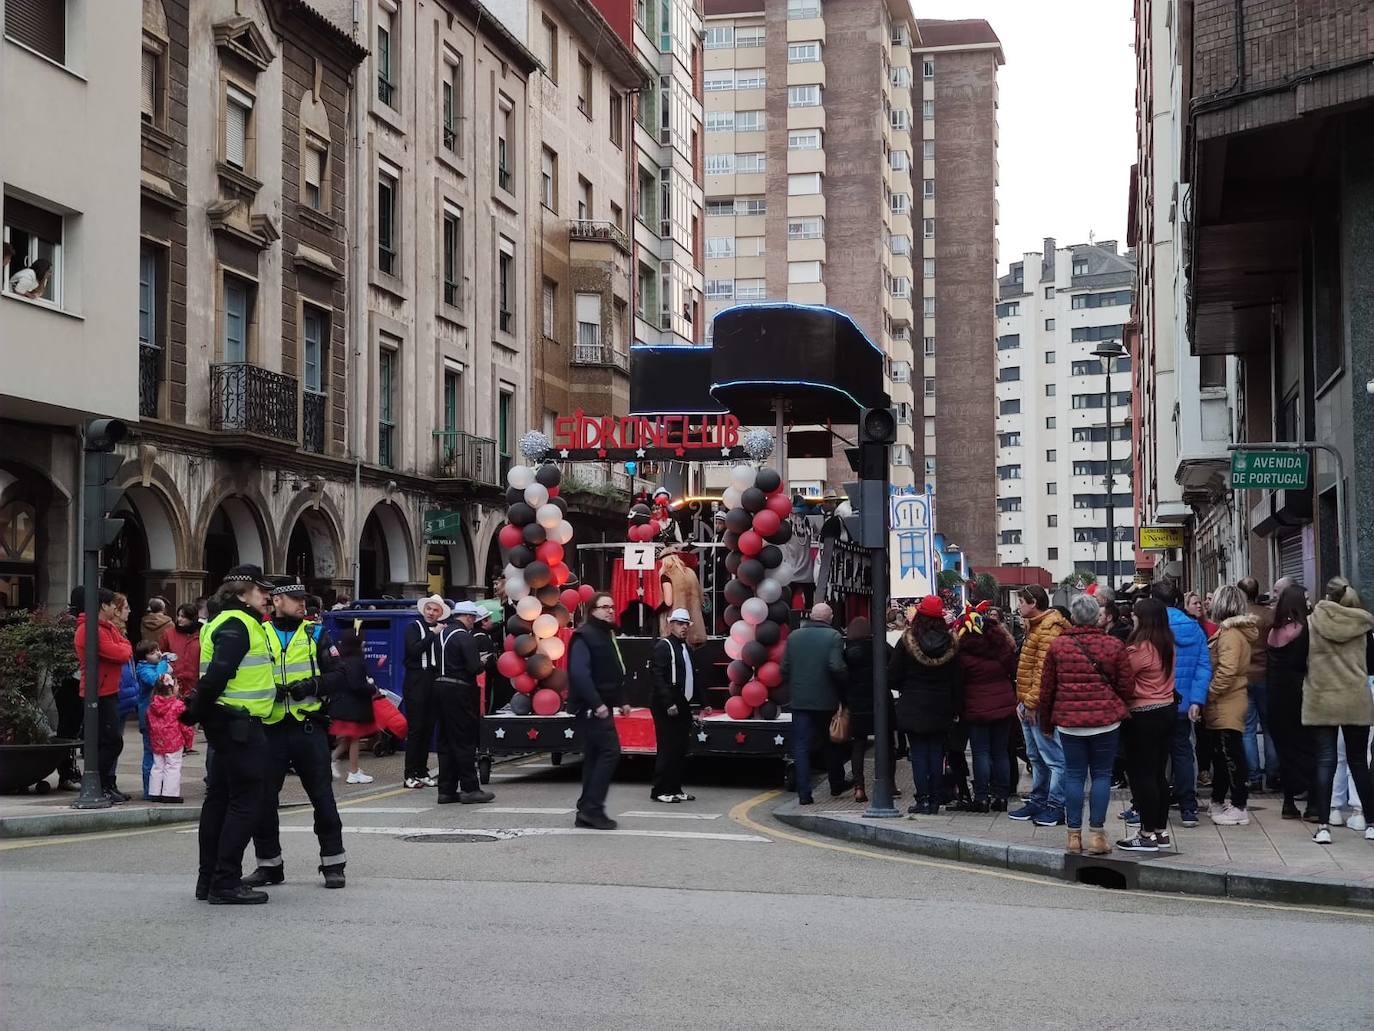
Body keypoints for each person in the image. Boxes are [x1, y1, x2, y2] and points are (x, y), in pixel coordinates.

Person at [179, 565, 278, 905]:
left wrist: (198, 710)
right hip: (239, 726)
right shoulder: (238, 624)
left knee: (219, 800)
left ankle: (208, 880)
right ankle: (225, 881)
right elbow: (221, 671)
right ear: (241, 593)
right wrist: (194, 710)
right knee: (246, 802)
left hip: (226, 724)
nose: (268, 596)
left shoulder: (222, 622)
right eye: (261, 590)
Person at [242, 579, 348, 890]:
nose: (302, 604)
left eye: (303, 599)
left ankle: (333, 864)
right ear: (275, 601)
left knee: (323, 799)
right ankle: (269, 865)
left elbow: (341, 675)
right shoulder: (259, 634)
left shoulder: (315, 633)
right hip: (270, 728)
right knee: (263, 801)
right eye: (294, 599)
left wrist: (311, 686)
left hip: (308, 727)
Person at [1038, 593, 1135, 855]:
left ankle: (1073, 836)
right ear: (1097, 617)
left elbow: (1047, 688)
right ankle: (1097, 836)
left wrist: (1045, 722)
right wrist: (1120, 705)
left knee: (1074, 775)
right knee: (1102, 775)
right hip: (1105, 721)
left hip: (1069, 722)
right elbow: (1127, 684)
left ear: (1073, 617)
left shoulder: (1058, 646)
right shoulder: (1113, 645)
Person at [1301, 576, 1374, 845]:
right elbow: (1371, 663)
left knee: (1325, 762)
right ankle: (1371, 823)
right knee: (1358, 763)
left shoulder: (1311, 624)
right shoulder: (1362, 625)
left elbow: (1300, 660)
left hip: (1322, 698)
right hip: (1355, 698)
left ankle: (1323, 825)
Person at [890, 596, 964, 815]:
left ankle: (922, 800)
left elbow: (892, 675)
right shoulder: (952, 643)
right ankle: (934, 799)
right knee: (937, 753)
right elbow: (958, 679)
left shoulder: (907, 641)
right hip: (942, 705)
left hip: (913, 704)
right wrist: (957, 707)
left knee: (919, 753)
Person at [1118, 597, 1178, 852]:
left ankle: (1146, 834)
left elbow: (1121, 676)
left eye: (1135, 614)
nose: (1132, 617)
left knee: (1142, 776)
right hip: (1166, 710)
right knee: (1158, 775)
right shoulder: (1167, 644)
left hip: (1143, 714)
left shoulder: (1142, 648)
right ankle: (1160, 831)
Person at [567, 592, 631, 828]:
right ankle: (592, 808)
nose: (610, 610)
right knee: (609, 752)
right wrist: (597, 704)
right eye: (604, 607)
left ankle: (586, 808)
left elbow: (613, 670)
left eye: (612, 607)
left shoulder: (605, 634)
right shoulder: (584, 636)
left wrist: (621, 699)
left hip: (601, 705)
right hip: (592, 709)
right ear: (592, 610)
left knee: (595, 757)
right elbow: (579, 674)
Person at [1151, 581, 1212, 828]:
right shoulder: (1194, 628)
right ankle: (1188, 807)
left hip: (1157, 701)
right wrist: (1197, 700)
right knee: (1183, 753)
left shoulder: (1153, 628)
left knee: (1155, 756)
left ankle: (1154, 808)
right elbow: (1204, 665)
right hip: (1185, 704)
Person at [1009, 585, 1069, 827]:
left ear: (1034, 603)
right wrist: (1023, 702)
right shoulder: (1036, 627)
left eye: (1022, 601)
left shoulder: (1048, 629)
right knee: (1036, 756)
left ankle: (1056, 805)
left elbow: (1044, 671)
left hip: (1040, 705)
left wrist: (1031, 703)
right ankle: (1039, 800)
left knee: (1054, 757)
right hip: (1030, 703)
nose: (1018, 606)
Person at [781, 601, 851, 805]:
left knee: (801, 746)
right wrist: (845, 686)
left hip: (800, 699)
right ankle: (836, 784)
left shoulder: (794, 636)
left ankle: (804, 794)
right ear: (829, 618)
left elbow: (784, 668)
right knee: (831, 743)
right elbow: (836, 667)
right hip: (826, 700)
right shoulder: (834, 636)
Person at [72, 587, 134, 804]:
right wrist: (122, 647)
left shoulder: (106, 627)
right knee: (111, 742)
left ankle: (106, 784)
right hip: (98, 692)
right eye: (110, 604)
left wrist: (123, 647)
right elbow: (121, 652)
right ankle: (98, 783)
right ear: (103, 606)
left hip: (109, 690)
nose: (113, 608)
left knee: (108, 741)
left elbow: (126, 647)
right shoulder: (91, 630)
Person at [1203, 585, 1259, 825]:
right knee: (1222, 753)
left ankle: (1239, 805)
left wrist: (1210, 693)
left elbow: (1227, 670)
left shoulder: (1230, 635)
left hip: (1227, 701)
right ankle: (1220, 800)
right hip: (1227, 700)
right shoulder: (1230, 633)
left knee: (1230, 753)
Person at [433, 601, 495, 805]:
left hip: (440, 687)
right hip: (459, 689)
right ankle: (470, 788)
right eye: (473, 619)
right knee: (463, 740)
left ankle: (446, 790)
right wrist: (482, 662)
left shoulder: (440, 635)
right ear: (468, 617)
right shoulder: (463, 636)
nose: (473, 623)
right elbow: (474, 667)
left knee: (445, 741)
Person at [956, 605, 1016, 811]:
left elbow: (959, 681)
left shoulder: (964, 654)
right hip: (1003, 705)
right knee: (1000, 753)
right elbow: (1012, 669)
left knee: (980, 753)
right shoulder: (1001, 648)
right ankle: (1001, 797)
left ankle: (981, 798)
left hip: (977, 707)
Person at [1267, 584, 1316, 820]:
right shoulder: (1302, 629)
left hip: (1275, 695)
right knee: (1307, 748)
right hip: (1298, 694)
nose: (1309, 602)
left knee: (1285, 751)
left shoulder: (1274, 631)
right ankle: (1314, 803)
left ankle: (1288, 802)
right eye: (1305, 598)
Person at [843, 616, 897, 805]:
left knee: (858, 744)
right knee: (888, 743)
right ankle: (889, 783)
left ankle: (859, 787)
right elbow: (894, 666)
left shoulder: (847, 652)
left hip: (857, 703)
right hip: (881, 701)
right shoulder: (880, 646)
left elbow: (843, 676)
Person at [650, 608, 698, 804]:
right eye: (679, 623)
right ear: (671, 625)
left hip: (683, 702)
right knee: (667, 747)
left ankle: (675, 788)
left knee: (680, 748)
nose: (683, 627)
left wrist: (703, 703)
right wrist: (668, 702)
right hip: (666, 703)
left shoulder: (685, 648)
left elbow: (693, 675)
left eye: (686, 624)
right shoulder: (663, 646)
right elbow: (657, 676)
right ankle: (659, 790)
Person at [402, 595, 449, 789]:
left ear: (440, 613)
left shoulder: (440, 629)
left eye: (435, 610)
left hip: (433, 679)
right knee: (416, 729)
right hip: (416, 680)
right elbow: (413, 651)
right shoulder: (414, 627)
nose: (431, 613)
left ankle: (422, 770)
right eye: (429, 609)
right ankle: (409, 774)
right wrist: (433, 635)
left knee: (428, 728)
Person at [1237, 576, 1278, 792]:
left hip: (1243, 677)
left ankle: (1253, 777)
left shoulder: (1236, 618)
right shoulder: (1269, 615)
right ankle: (1272, 775)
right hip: (1265, 675)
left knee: (1248, 730)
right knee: (1270, 729)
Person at [134, 640, 175, 799]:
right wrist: (163, 663)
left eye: (158, 650)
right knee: (151, 753)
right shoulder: (144, 669)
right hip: (149, 716)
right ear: (144, 657)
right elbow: (156, 680)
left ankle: (160, 788)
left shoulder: (155, 666)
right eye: (152, 652)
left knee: (162, 754)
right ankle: (149, 790)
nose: (158, 653)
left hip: (161, 715)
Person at [145, 679, 193, 802]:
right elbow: (185, 726)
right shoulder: (178, 706)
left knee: (157, 766)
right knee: (173, 766)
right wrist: (188, 741)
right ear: (171, 689)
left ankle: (154, 792)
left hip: (157, 741)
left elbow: (149, 724)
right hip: (174, 741)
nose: (179, 687)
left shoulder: (152, 706)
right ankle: (170, 793)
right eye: (177, 685)